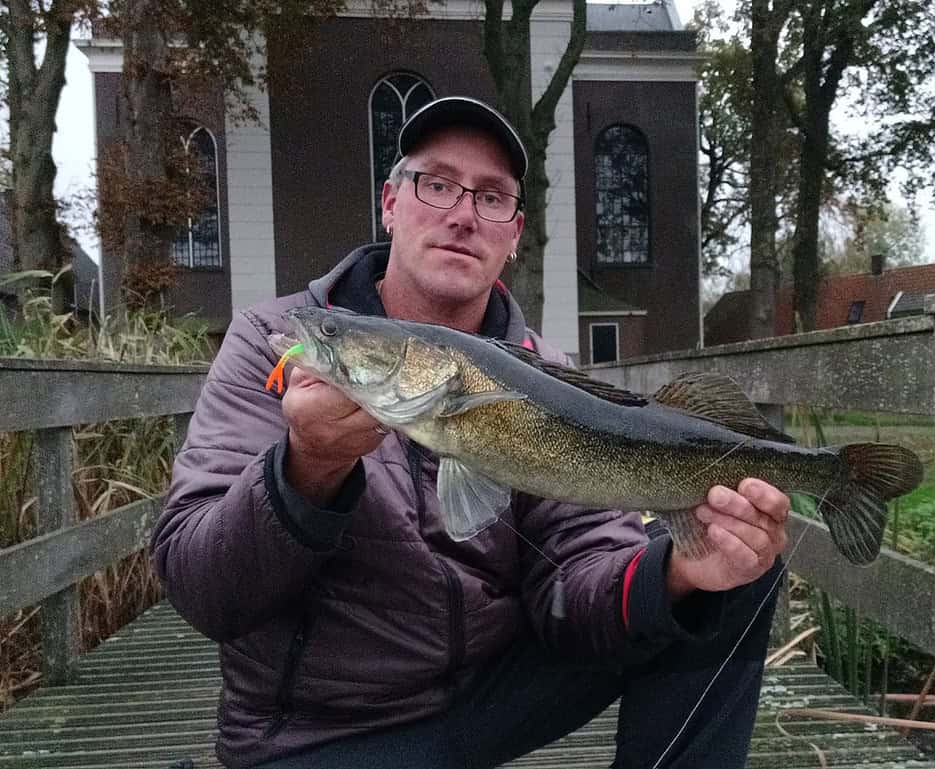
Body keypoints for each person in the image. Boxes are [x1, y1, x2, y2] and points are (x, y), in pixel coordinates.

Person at [153, 96, 790, 769]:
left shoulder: (548, 379)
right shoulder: (276, 345)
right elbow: (202, 591)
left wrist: (680, 574)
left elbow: (573, 585)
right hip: (321, 736)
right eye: (436, 183)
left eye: (490, 197)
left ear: (512, 233)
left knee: (733, 565)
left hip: (488, 705)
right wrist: (304, 471)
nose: (461, 214)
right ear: (390, 203)